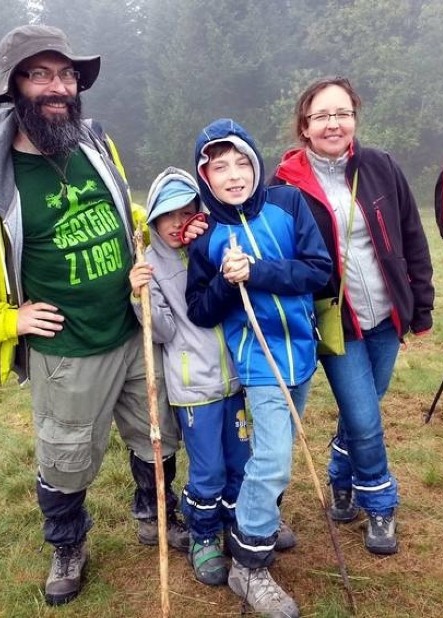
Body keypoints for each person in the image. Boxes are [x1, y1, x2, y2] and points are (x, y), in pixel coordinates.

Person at [0, 24, 188, 607]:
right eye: (40, 74)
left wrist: (155, 231)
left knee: (157, 434)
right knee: (65, 459)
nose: (57, 86)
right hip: (67, 349)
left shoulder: (93, 143)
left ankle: (152, 513)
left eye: (65, 74)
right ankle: (67, 544)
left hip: (133, 328)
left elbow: (119, 210)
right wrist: (6, 321)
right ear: (13, 86)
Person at [271, 77, 435, 556]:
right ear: (304, 126)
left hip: (386, 314)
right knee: (365, 419)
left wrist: (420, 305)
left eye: (342, 113)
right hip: (336, 324)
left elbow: (411, 235)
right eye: (321, 116)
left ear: (355, 119)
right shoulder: (284, 185)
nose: (333, 123)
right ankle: (380, 503)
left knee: (363, 411)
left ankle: (340, 475)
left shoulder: (381, 166)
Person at [186, 118, 332, 617]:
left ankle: (261, 513)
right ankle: (249, 563)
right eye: (219, 166)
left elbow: (319, 270)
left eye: (241, 162)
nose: (233, 175)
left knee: (276, 451)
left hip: (301, 356)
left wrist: (258, 270)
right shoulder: (206, 237)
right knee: (271, 459)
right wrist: (228, 283)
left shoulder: (288, 204)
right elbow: (199, 309)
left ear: (256, 163)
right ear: (205, 177)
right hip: (257, 361)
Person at [128, 167, 249, 587]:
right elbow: (159, 331)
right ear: (155, 220)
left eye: (187, 211)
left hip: (235, 380)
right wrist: (138, 295)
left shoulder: (213, 247)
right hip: (193, 389)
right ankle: (202, 535)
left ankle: (237, 525)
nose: (179, 223)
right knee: (209, 469)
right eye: (168, 215)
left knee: (240, 462)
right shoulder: (152, 265)